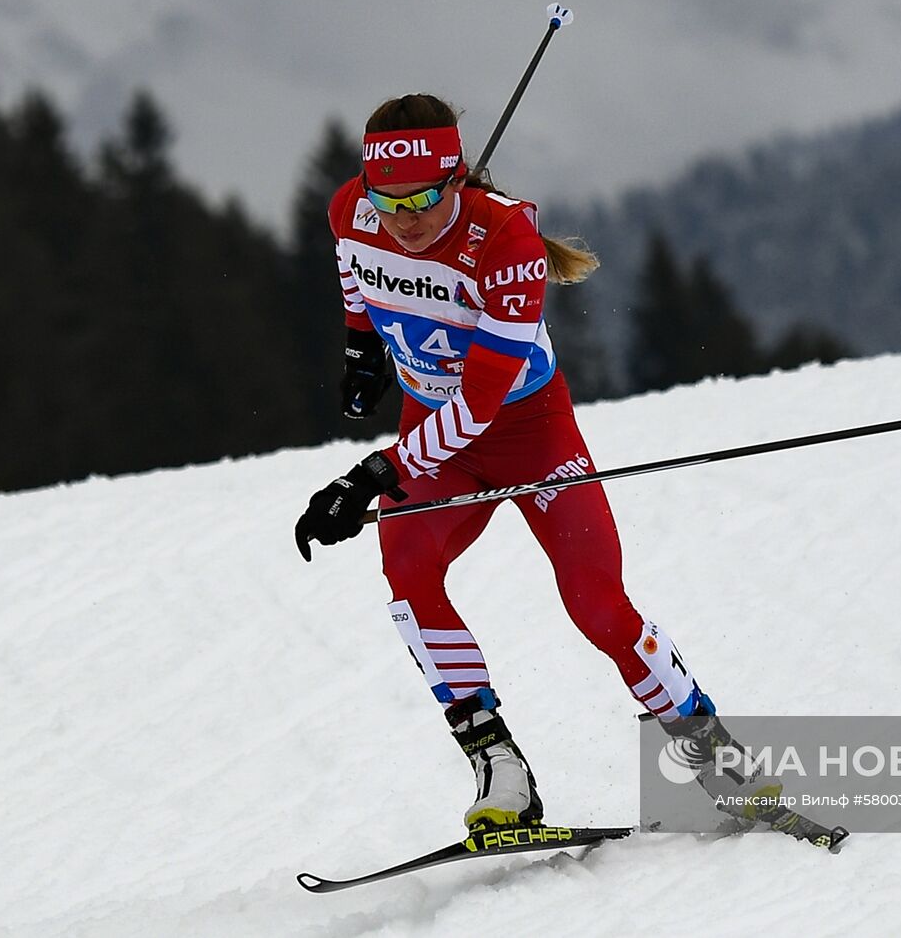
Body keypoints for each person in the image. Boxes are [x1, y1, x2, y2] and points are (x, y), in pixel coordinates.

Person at [294, 94, 769, 833]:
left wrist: (376, 473)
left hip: (527, 430)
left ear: (458, 179)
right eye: (388, 200)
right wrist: (362, 348)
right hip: (433, 429)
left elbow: (482, 403)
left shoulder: (507, 241)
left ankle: (711, 749)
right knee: (409, 575)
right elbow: (356, 270)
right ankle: (499, 766)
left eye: (422, 199)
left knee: (597, 604)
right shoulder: (352, 212)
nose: (404, 218)